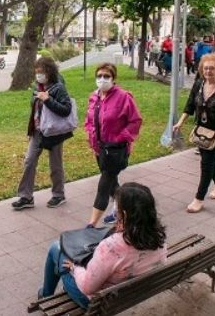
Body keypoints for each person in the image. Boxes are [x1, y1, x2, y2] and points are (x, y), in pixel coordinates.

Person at [38, 183, 167, 309]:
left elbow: (87, 287)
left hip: (99, 303)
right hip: (134, 294)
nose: (115, 213)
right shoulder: (159, 237)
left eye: (117, 209)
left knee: (56, 248)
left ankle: (45, 295)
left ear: (125, 215)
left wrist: (74, 268)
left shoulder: (112, 246)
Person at [173, 53, 215, 213]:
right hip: (201, 129)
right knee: (207, 159)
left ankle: (199, 199)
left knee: (206, 162)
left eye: (212, 68)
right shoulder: (198, 84)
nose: (208, 71)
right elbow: (190, 105)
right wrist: (180, 122)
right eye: (205, 68)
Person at [84, 63, 142, 226]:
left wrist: (120, 137)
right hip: (99, 148)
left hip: (116, 149)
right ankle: (122, 207)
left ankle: (92, 224)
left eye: (106, 76)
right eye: (99, 76)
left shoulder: (124, 97)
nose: (102, 79)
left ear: (113, 78)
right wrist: (91, 133)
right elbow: (89, 119)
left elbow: (135, 121)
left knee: (104, 184)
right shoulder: (94, 97)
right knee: (111, 181)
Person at [12, 57, 73, 210]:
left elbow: (66, 110)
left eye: (42, 72)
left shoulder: (58, 87)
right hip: (38, 132)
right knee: (29, 161)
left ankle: (58, 195)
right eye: (37, 72)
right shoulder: (37, 86)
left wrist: (48, 100)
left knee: (55, 164)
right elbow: (34, 109)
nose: (39, 75)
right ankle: (26, 197)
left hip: (53, 132)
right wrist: (31, 129)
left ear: (49, 72)